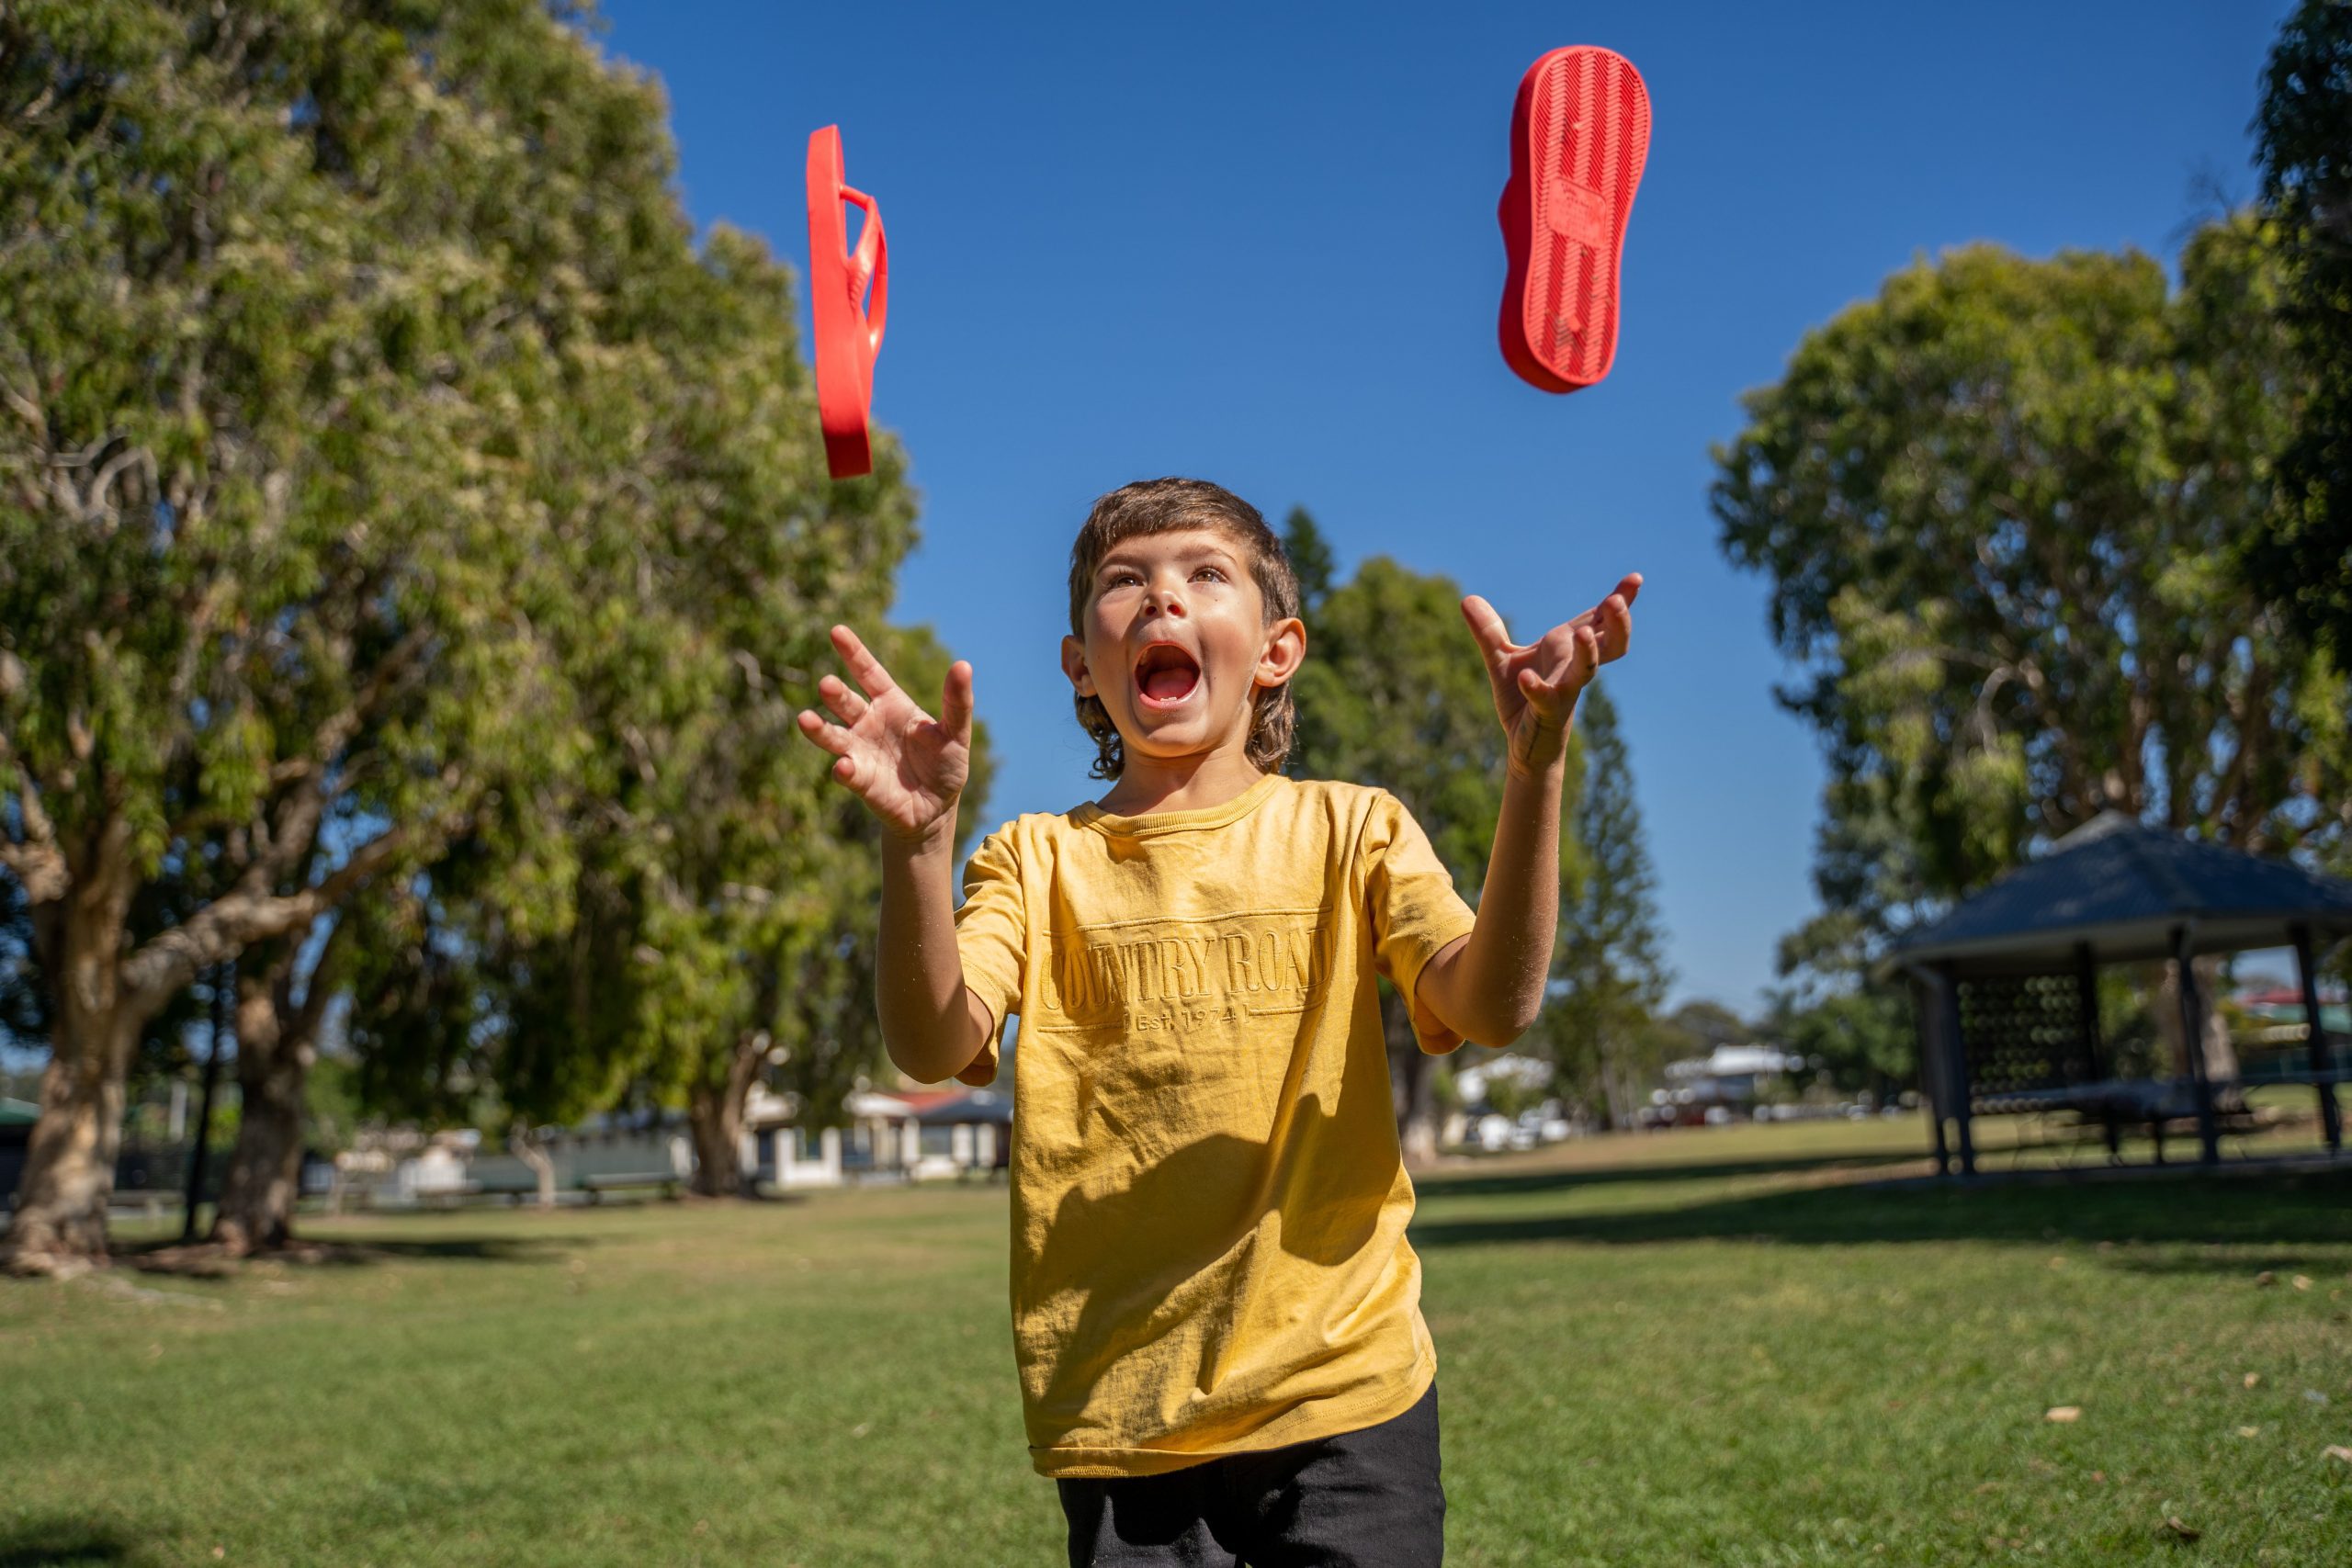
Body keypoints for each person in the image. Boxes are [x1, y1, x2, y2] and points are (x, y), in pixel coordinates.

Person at [797, 478, 1639, 1566]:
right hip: (1122, 1417)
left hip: (1345, 1391)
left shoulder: (1353, 829)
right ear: (1077, 666)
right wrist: (917, 847)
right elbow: (932, 1044)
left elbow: (1490, 1005)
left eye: (1204, 574)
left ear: (1277, 649)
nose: (1161, 601)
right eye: (1123, 584)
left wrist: (1537, 764)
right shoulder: (1034, 860)